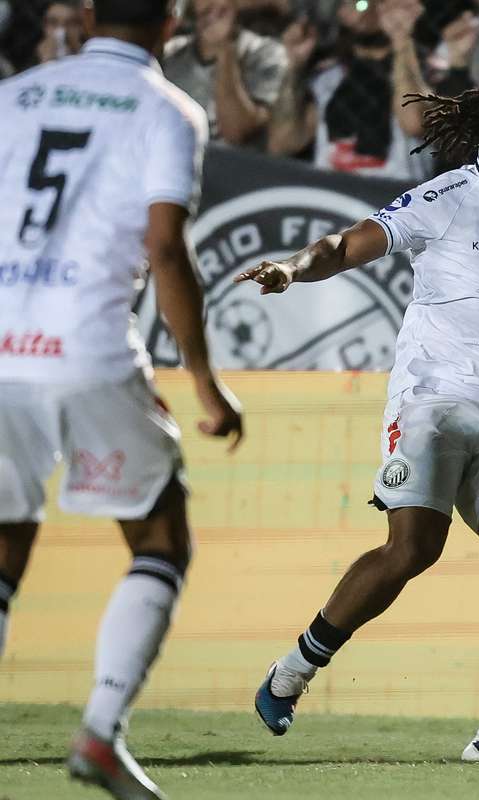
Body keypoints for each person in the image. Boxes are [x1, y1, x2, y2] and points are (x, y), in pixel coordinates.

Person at [241, 70, 479, 764]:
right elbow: (347, 243)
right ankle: (295, 669)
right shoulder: (446, 197)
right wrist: (292, 268)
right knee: (412, 550)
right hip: (431, 398)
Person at [0, 0, 244, 797]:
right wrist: (204, 380)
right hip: (87, 349)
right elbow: (165, 248)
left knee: (4, 545)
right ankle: (101, 732)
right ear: (171, 20)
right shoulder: (167, 110)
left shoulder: (16, 94)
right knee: (160, 535)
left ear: (89, 13)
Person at [266, 0, 433, 178]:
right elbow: (281, 143)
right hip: (335, 191)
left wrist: (402, 40)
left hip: (398, 190)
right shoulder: (328, 77)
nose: (358, 13)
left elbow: (414, 123)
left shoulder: (426, 68)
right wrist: (294, 66)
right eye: (349, 3)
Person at [161, 0, 287, 147]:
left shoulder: (267, 54)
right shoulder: (170, 52)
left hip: (225, 159)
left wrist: (223, 48)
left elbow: (237, 132)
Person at [35, 0, 86, 64]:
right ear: (44, 26)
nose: (62, 31)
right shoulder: (28, 63)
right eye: (53, 22)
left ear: (81, 28)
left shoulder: (91, 60)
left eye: (70, 23)